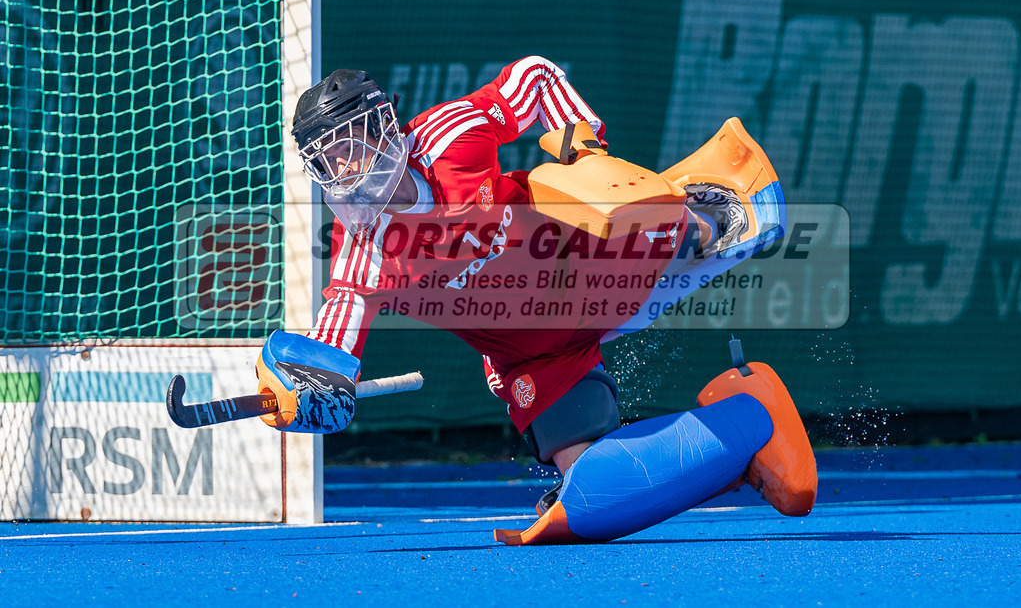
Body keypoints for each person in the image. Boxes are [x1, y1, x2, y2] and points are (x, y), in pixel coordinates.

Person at [274, 56, 816, 544]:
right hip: (537, 356)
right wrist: (310, 387)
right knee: (598, 493)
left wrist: (581, 144)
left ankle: (708, 211)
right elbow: (333, 337)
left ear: (381, 128)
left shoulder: (447, 137)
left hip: (581, 257)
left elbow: (533, 76)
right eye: (328, 161)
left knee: (641, 206)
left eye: (350, 148)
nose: (344, 172)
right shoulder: (359, 251)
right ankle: (748, 421)